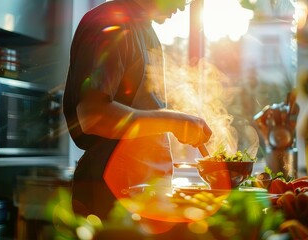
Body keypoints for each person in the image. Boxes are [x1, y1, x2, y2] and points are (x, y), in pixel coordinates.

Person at [63, 0, 212, 220]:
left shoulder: (146, 30)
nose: (183, 7)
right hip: (111, 194)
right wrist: (174, 122)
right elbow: (93, 116)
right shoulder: (110, 23)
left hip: (144, 192)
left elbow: (144, 110)